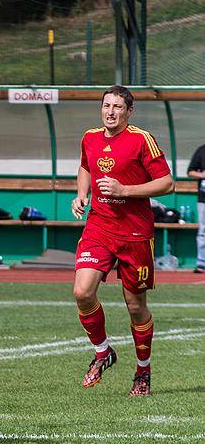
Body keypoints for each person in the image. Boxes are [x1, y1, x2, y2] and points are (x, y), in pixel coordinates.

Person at [71, 85, 173, 397]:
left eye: (117, 106)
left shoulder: (142, 139)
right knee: (82, 291)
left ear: (129, 112)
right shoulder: (90, 137)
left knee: (135, 305)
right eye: (106, 106)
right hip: (99, 227)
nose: (110, 112)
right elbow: (85, 166)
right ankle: (103, 352)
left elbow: (167, 183)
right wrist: (81, 194)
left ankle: (143, 372)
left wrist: (124, 190)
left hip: (135, 234)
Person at [186, 143, 205, 273]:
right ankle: (201, 262)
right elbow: (190, 171)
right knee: (203, 230)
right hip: (203, 199)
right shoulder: (201, 150)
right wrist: (202, 175)